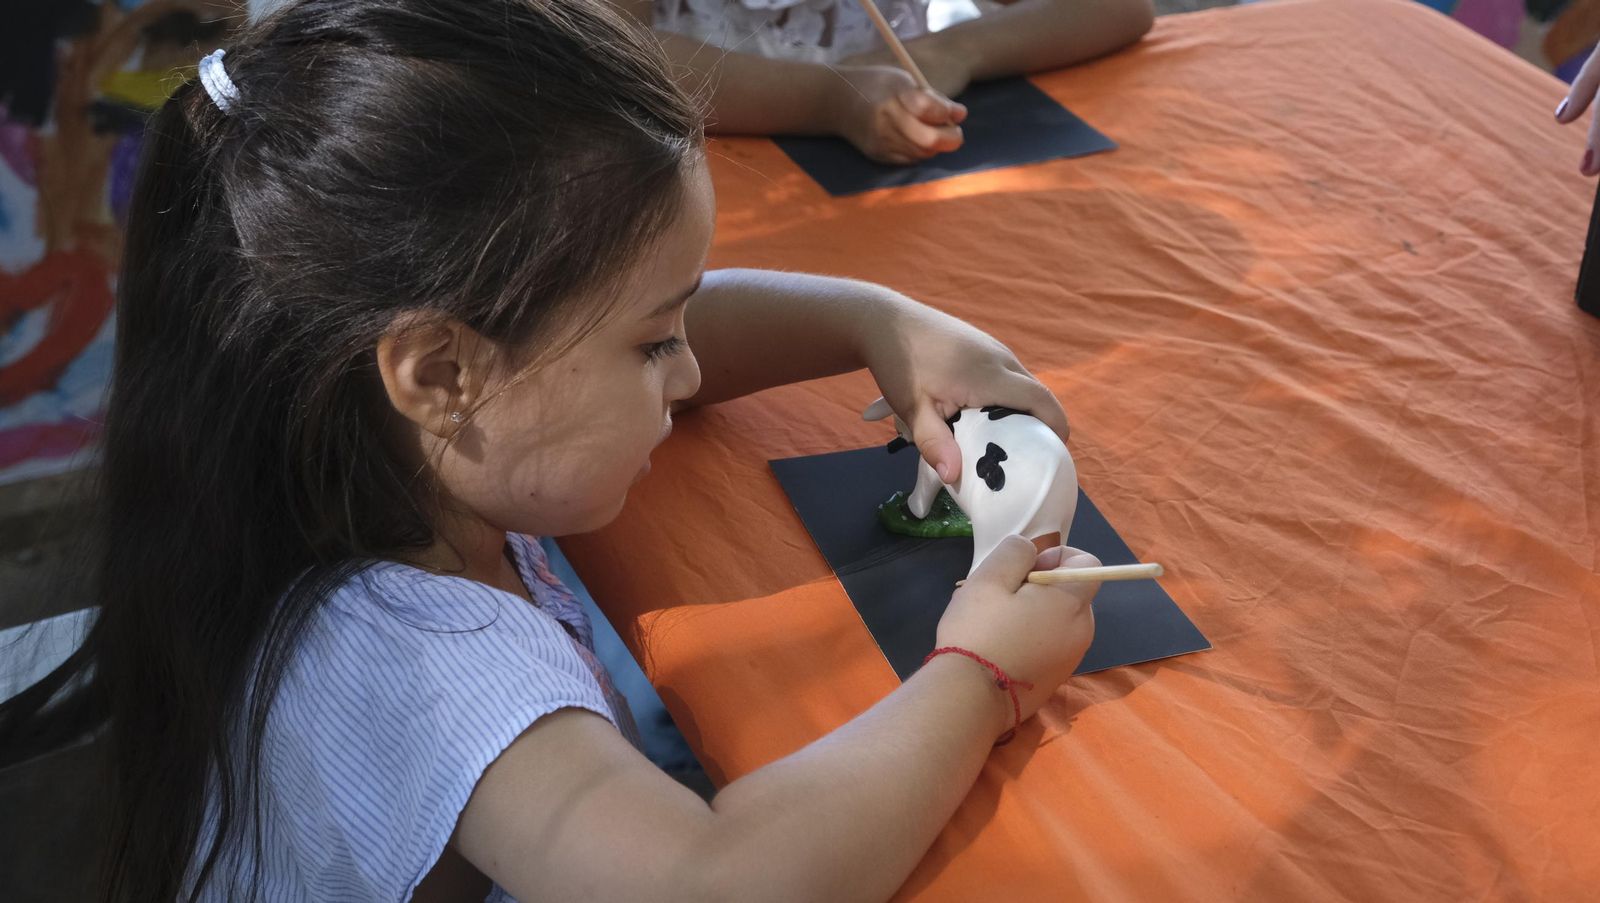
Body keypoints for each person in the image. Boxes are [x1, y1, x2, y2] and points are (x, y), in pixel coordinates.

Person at [0, 0, 1100, 899]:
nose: (690, 372)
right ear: (440, 375)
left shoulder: (327, 448)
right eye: (651, 343)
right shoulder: (430, 657)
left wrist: (876, 321)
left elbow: (644, 334)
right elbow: (718, 887)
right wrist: (982, 676)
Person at [630, 0, 1155, 162]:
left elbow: (1116, 7)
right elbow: (608, 47)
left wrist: (951, 50)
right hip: (691, 180)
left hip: (907, 191)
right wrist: (833, 99)